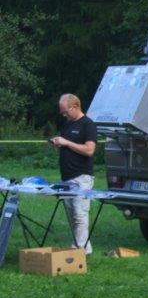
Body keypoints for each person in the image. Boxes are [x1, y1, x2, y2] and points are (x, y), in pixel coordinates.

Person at [49, 94, 97, 254]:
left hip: (81, 176)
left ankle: (79, 250)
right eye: (62, 112)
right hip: (67, 177)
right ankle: (85, 247)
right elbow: (68, 146)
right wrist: (58, 143)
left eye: (65, 111)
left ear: (75, 106)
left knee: (79, 214)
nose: (64, 115)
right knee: (72, 216)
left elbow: (89, 150)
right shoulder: (67, 124)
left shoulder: (88, 124)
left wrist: (67, 142)